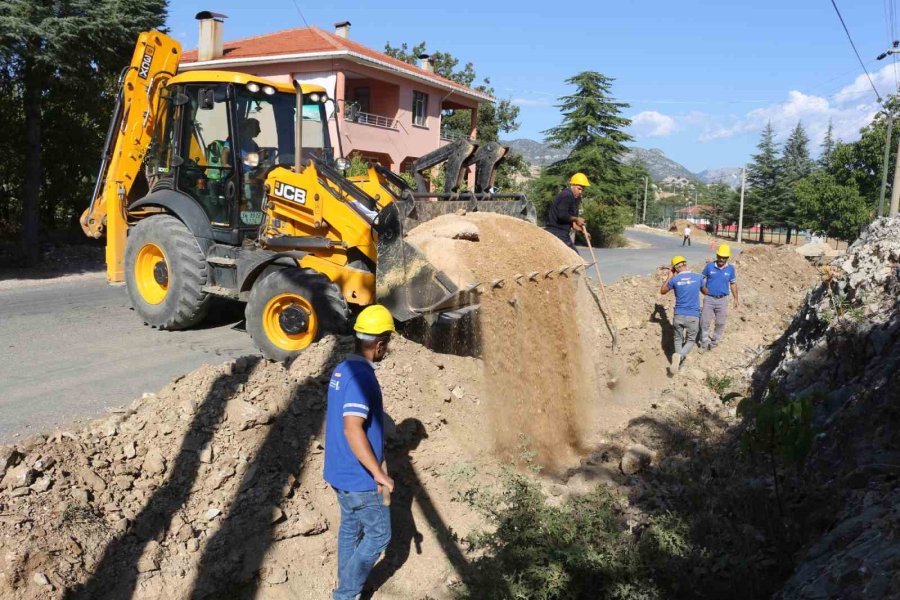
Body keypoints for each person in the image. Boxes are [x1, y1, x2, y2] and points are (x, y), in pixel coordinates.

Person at [324, 305, 396, 600]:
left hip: (340, 472)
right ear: (379, 344)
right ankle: (345, 594)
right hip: (359, 478)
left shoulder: (342, 368)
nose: (387, 349)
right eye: (387, 344)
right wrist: (378, 473)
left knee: (350, 529)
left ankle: (346, 587)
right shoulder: (363, 377)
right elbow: (353, 428)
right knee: (380, 535)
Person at [659, 255, 705, 375]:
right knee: (690, 340)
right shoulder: (698, 277)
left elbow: (662, 291)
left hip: (678, 315)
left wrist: (670, 275)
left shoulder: (674, 280)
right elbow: (706, 291)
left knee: (678, 339)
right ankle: (680, 356)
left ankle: (677, 363)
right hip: (693, 315)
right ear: (685, 264)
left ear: (675, 269)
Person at [699, 243, 739, 350]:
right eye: (720, 256)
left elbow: (733, 283)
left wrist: (736, 298)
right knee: (705, 321)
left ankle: (715, 341)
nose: (721, 259)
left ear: (727, 258)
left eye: (724, 257)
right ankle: (704, 341)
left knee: (720, 322)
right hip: (709, 299)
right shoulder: (709, 266)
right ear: (717, 256)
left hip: (722, 300)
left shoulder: (731, 269)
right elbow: (701, 279)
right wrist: (703, 289)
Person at [545, 173, 590, 250]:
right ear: (573, 185)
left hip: (562, 233)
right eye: (579, 188)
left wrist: (583, 231)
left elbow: (572, 223)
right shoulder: (567, 195)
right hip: (556, 232)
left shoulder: (574, 198)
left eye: (582, 190)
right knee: (576, 258)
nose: (580, 192)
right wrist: (576, 219)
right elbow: (562, 215)